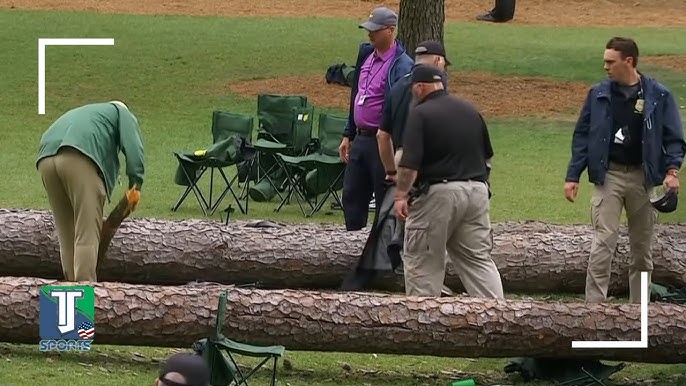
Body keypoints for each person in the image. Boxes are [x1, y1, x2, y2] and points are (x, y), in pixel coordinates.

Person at [564, 36, 685, 304]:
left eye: (610, 61)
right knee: (602, 243)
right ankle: (594, 309)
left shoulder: (659, 95)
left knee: (642, 249)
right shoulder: (598, 94)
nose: (605, 67)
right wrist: (573, 175)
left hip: (644, 178)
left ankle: (639, 309)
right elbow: (583, 135)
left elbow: (673, 138)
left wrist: (672, 171)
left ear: (628, 61)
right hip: (609, 176)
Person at [393, 65, 504, 298]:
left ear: (420, 87)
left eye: (414, 87)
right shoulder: (470, 110)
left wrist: (401, 195)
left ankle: (423, 324)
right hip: (477, 191)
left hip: (438, 195)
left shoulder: (420, 114)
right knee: (478, 261)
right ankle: (499, 319)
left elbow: (409, 165)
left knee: (422, 262)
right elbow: (488, 157)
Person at [36, 101, 145, 282]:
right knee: (86, 233)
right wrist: (136, 183)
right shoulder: (121, 112)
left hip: (46, 158)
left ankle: (70, 290)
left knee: (67, 233)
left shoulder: (89, 112)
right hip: (79, 155)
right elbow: (134, 146)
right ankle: (86, 290)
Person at [338, 6, 414, 231]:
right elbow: (356, 95)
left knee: (384, 198)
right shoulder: (366, 55)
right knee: (351, 194)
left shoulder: (403, 65)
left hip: (383, 141)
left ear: (390, 30)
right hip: (360, 139)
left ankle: (382, 252)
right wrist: (347, 133)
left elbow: (402, 108)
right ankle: (351, 243)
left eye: (375, 30)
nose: (369, 34)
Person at [378, 40, 451, 179]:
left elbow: (382, 136)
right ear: (437, 61)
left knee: (399, 199)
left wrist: (390, 171)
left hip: (400, 160)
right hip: (426, 163)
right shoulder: (435, 86)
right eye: (444, 64)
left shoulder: (397, 87)